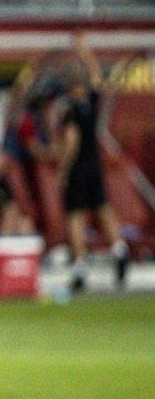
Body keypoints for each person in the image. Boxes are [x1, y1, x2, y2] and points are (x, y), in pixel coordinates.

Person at [59, 43, 130, 291]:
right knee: (103, 208)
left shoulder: (70, 111)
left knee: (75, 216)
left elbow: (71, 141)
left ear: (70, 88)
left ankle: (79, 266)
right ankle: (119, 249)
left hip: (78, 168)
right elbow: (97, 77)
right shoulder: (91, 103)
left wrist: (63, 171)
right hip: (94, 164)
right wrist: (85, 52)